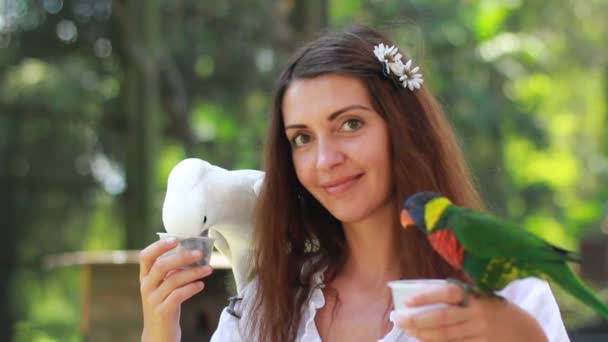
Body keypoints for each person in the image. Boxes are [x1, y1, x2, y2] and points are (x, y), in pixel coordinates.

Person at [139, 25, 569, 341]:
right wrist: (160, 327)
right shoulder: (266, 307)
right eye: (302, 138)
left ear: (403, 129)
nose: (326, 160)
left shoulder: (507, 294)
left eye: (349, 124)